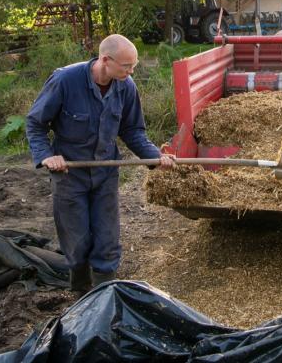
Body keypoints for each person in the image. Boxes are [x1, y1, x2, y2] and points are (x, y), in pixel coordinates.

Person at [25, 34, 173, 293]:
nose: (131, 71)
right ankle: (81, 293)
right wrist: (47, 156)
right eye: (127, 66)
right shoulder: (65, 81)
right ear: (106, 60)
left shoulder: (126, 87)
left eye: (133, 65)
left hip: (106, 173)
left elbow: (132, 131)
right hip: (70, 174)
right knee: (77, 241)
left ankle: (105, 295)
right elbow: (35, 124)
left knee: (107, 241)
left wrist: (154, 157)